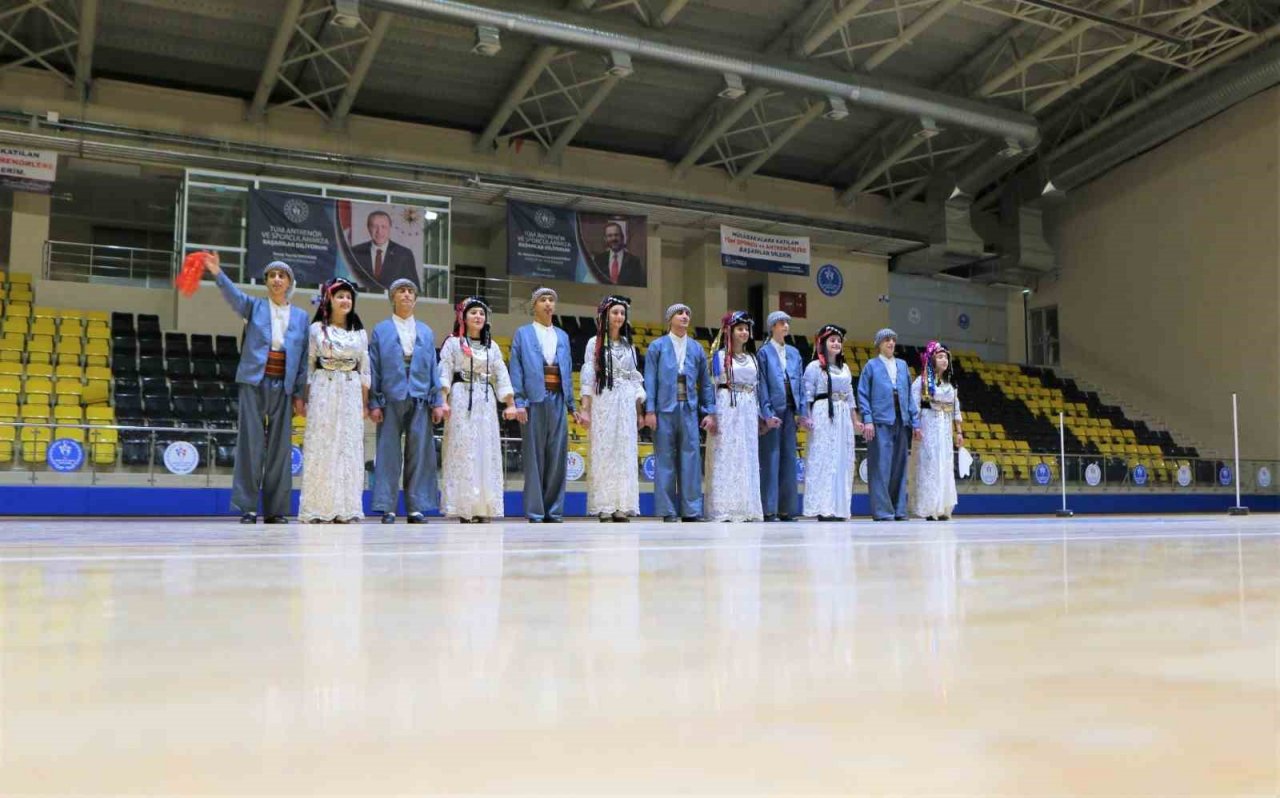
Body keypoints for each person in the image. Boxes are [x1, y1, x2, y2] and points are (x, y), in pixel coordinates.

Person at [202, 253, 309, 524]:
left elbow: (302, 360)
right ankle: (247, 507)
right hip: (254, 380)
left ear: (289, 282)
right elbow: (233, 296)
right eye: (271, 276)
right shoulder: (254, 307)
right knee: (250, 444)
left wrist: (299, 394)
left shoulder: (301, 317)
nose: (276, 279)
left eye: (281, 276)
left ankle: (276, 510)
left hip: (283, 386)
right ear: (266, 282)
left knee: (280, 449)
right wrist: (217, 273)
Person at [368, 278, 444, 524]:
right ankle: (387, 507)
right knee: (388, 454)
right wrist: (375, 402)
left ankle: (416, 507)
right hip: (391, 397)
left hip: (420, 396)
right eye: (401, 291)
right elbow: (375, 369)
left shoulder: (425, 330)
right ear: (393, 297)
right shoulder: (381, 329)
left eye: (411, 291)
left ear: (415, 298)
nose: (407, 295)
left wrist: (437, 401)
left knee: (420, 454)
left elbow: (434, 368)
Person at [436, 297, 519, 523]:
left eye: (481, 314)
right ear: (463, 317)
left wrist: (510, 403)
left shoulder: (491, 346)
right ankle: (465, 506)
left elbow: (501, 373)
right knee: (462, 449)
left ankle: (483, 507)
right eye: (473, 313)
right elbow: (444, 371)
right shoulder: (453, 344)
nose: (478, 317)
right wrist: (442, 400)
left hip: (485, 398)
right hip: (461, 397)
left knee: (486, 449)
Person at [298, 278, 370, 524]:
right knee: (322, 446)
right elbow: (308, 366)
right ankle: (318, 507)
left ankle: (346, 507)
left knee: (347, 447)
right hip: (323, 388)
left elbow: (365, 372)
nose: (345, 300)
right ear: (329, 299)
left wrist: (364, 403)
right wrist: (304, 399)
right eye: (340, 296)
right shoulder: (316, 330)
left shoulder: (359, 333)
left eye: (349, 297)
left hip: (350, 391)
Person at [508, 287, 578, 523]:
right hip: (533, 400)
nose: (548, 303)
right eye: (543, 300)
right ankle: (536, 511)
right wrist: (519, 401)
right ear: (534, 305)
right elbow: (516, 368)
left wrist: (571, 405)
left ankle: (554, 510)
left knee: (558, 456)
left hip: (558, 397)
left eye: (551, 300)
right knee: (534, 456)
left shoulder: (563, 335)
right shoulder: (523, 333)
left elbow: (567, 369)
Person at [643, 303, 716, 522]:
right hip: (664, 408)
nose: (684, 316)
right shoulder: (657, 346)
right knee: (665, 458)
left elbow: (705, 384)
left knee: (691, 458)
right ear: (670, 319)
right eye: (679, 313)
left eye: (687, 313)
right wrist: (650, 410)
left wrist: (709, 411)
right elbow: (650, 379)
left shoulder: (696, 348)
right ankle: (667, 510)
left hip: (689, 409)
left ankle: (691, 510)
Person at [580, 295, 645, 522]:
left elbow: (635, 379)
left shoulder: (629, 346)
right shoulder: (593, 343)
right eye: (615, 312)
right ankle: (605, 505)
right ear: (605, 315)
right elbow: (588, 377)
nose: (619, 317)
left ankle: (622, 505)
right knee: (605, 451)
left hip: (625, 401)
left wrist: (639, 412)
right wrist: (586, 408)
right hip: (604, 399)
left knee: (624, 452)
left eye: (622, 313)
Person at [856, 328, 921, 521]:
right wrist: (868, 420)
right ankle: (883, 510)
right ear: (879, 344)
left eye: (893, 340)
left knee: (900, 467)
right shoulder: (871, 366)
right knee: (880, 467)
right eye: (886, 340)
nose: (891, 343)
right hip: (880, 420)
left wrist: (915, 422)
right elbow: (863, 394)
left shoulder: (902, 365)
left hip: (901, 420)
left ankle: (899, 508)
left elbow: (909, 396)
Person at [706, 311, 763, 522]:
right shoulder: (719, 356)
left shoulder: (752, 358)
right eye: (740, 328)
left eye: (746, 329)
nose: (744, 332)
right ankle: (725, 506)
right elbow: (711, 386)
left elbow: (756, 388)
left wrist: (758, 415)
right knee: (727, 452)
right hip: (727, 404)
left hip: (747, 407)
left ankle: (746, 506)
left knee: (746, 454)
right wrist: (712, 413)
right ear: (729, 331)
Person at [756, 310, 811, 522]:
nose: (785, 326)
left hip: (790, 409)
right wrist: (767, 412)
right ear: (772, 327)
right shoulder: (764, 353)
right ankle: (769, 509)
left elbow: (801, 386)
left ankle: (787, 509)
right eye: (780, 323)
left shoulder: (795, 353)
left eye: (787, 322)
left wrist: (802, 412)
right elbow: (762, 386)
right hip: (773, 412)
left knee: (789, 459)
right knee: (770, 459)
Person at [802, 325, 861, 521]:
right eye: (832, 340)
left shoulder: (844, 368)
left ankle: (839, 507)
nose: (836, 343)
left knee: (841, 459)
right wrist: (806, 416)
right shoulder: (814, 367)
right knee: (824, 459)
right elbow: (807, 394)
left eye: (839, 341)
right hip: (823, 413)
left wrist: (855, 419)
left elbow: (851, 396)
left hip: (843, 414)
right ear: (823, 343)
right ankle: (824, 507)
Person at [910, 341, 963, 520]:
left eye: (946, 357)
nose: (944, 360)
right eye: (940, 357)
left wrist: (959, 432)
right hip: (929, 423)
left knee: (945, 463)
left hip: (945, 426)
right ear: (932, 359)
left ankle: (944, 507)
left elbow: (956, 408)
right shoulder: (922, 381)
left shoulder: (951, 384)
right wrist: (916, 425)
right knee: (930, 464)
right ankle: (930, 507)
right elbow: (914, 404)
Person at [351, 210, 419, 292]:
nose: (379, 231)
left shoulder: (404, 254)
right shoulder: (354, 252)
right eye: (375, 226)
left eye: (383, 227)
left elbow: (413, 288)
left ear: (390, 228)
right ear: (368, 228)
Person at [590, 221, 644, 286]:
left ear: (622, 237)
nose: (613, 238)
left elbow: (639, 286)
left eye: (616, 235)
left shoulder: (634, 261)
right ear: (605, 239)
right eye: (610, 235)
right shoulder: (598, 260)